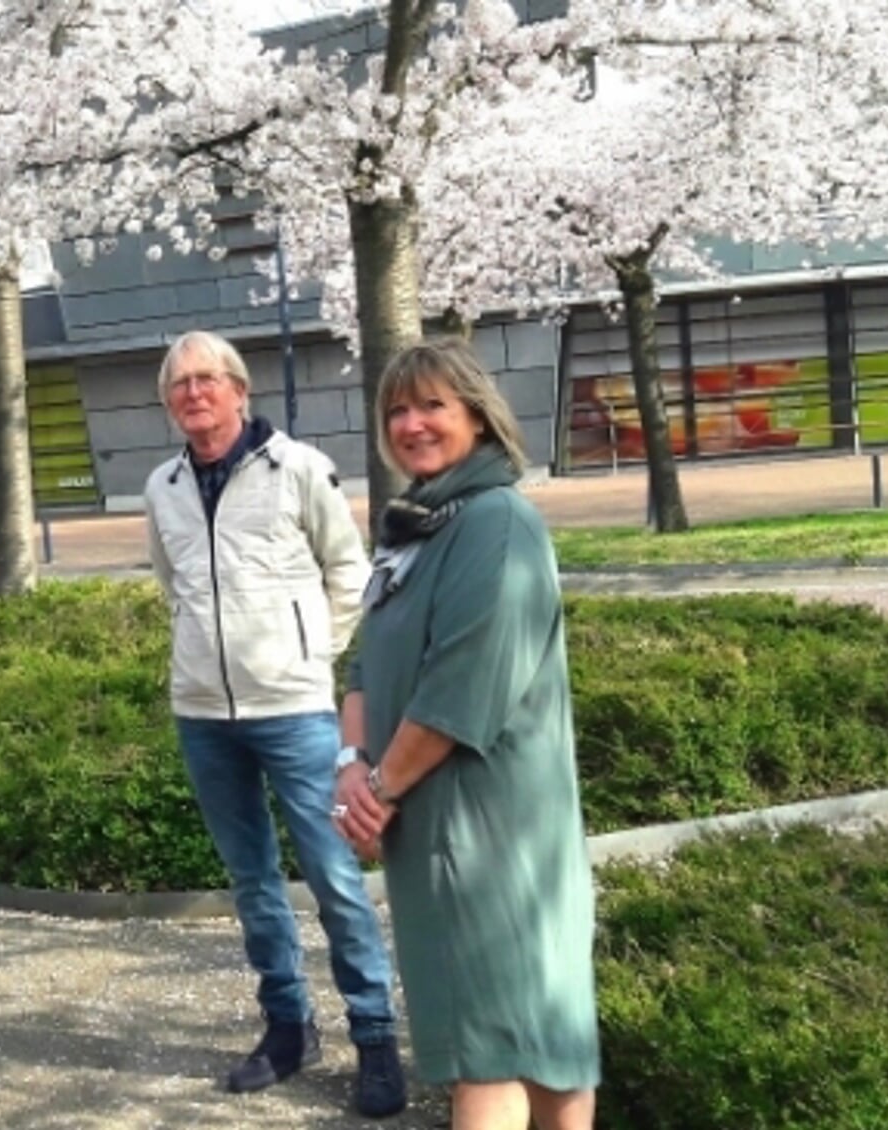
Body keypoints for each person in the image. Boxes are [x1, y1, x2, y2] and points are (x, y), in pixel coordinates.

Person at [333, 338, 601, 1130]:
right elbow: (364, 666)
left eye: (432, 406)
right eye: (396, 411)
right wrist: (351, 764)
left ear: (479, 418)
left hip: (492, 831)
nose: (412, 424)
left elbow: (462, 690)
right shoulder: (420, 523)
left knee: (492, 1049)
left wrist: (375, 793)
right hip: (430, 817)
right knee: (529, 1031)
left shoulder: (497, 524)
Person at [144, 330, 407, 1118]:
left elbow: (351, 574)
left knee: (334, 878)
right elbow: (174, 586)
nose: (193, 393)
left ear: (237, 389)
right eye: (179, 385)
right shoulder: (162, 485)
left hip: (294, 712)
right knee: (253, 884)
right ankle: (287, 1027)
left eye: (205, 380)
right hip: (203, 714)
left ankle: (374, 1038)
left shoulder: (297, 468)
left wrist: (306, 654)